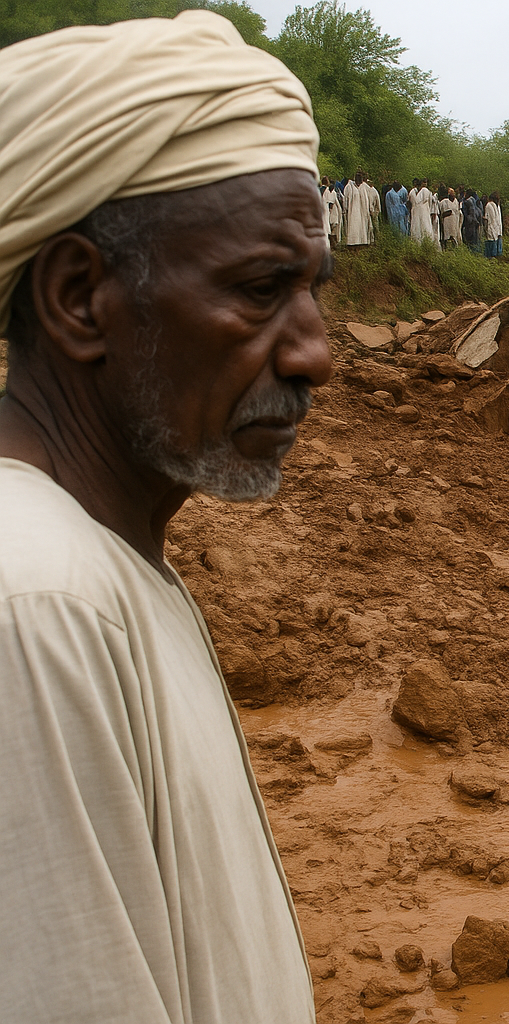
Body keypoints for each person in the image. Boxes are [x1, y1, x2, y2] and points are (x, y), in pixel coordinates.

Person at [0, 11, 326, 1021]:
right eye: (262, 289)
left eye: (314, 291)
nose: (315, 353)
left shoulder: (97, 565)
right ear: (80, 298)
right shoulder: (38, 605)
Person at [342, 169, 375, 247]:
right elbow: (345, 199)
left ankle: (362, 243)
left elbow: (370, 198)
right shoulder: (349, 187)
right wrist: (345, 209)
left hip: (363, 213)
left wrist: (371, 209)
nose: (359, 182)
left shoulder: (364, 187)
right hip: (353, 213)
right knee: (353, 228)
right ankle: (352, 245)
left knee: (363, 229)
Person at [409, 178, 438, 248]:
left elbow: (430, 203)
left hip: (423, 211)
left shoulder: (425, 191)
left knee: (424, 226)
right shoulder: (412, 192)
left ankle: (426, 244)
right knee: (417, 226)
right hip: (416, 211)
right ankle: (418, 244)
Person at [483, 192, 503, 258]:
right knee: (495, 247)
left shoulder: (488, 205)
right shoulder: (496, 206)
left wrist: (485, 229)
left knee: (490, 248)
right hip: (496, 229)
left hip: (491, 228)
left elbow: (486, 219)